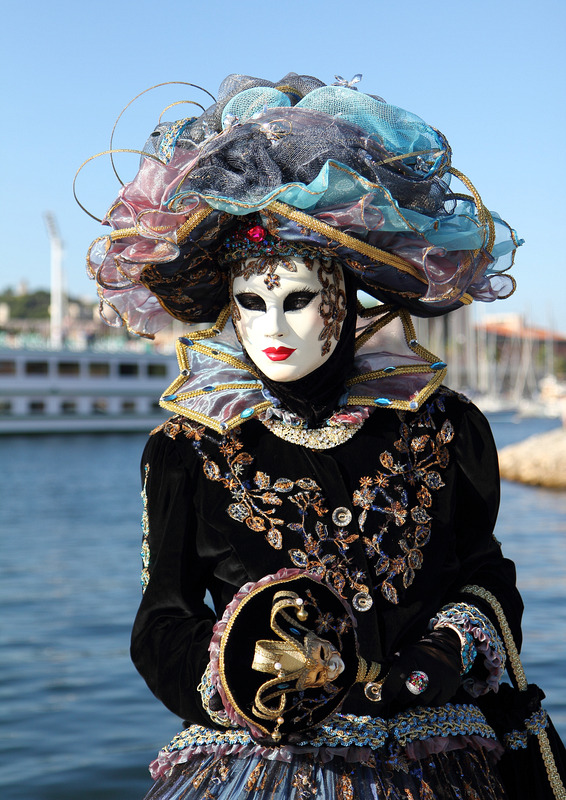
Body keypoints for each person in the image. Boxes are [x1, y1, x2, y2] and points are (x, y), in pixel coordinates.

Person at [85, 73, 564, 799]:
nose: (271, 328)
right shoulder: (188, 452)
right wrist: (244, 677)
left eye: (298, 299)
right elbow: (162, 621)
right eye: (251, 303)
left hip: (440, 756)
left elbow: (485, 572)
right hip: (263, 767)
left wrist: (445, 650)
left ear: (344, 293)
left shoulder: (442, 427)